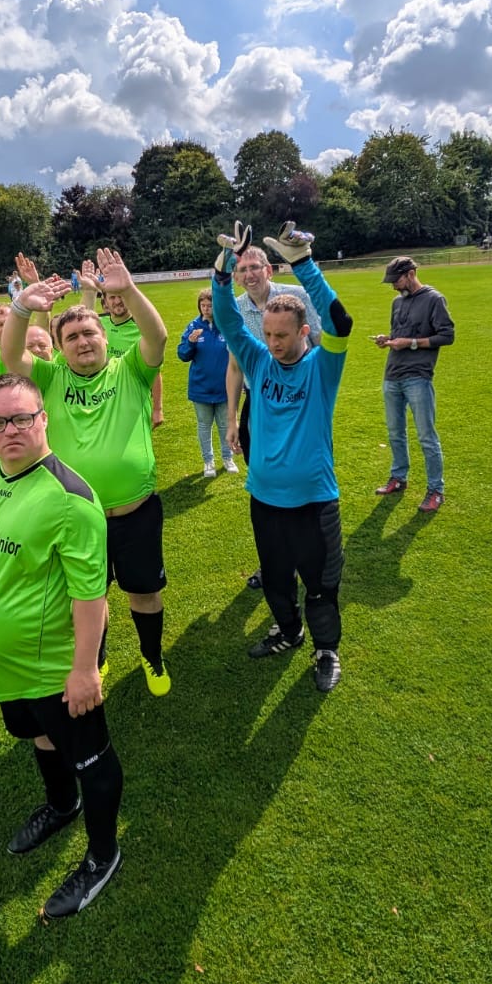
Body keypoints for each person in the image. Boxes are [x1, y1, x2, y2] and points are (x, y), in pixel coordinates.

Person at [0, 374, 123, 917]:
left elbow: (91, 596)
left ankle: (103, 855)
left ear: (43, 420)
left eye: (21, 418)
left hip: (54, 667)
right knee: (37, 735)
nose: (10, 430)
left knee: (92, 758)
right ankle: (62, 805)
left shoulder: (71, 500)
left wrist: (85, 670)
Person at [3, 249, 173, 695]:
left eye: (89, 332)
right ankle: (96, 660)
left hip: (136, 512)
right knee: (87, 595)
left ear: (104, 337)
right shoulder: (51, 379)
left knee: (144, 592)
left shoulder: (131, 369)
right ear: (60, 347)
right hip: (77, 517)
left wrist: (128, 289)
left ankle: (152, 656)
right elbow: (11, 357)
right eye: (72, 336)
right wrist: (21, 307)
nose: (82, 341)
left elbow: (157, 337)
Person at [213, 222, 350, 692]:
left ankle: (326, 650)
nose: (273, 343)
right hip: (266, 499)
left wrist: (304, 264)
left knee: (321, 584)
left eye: (282, 335)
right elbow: (229, 321)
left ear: (303, 331)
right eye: (268, 334)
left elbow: (341, 322)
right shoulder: (258, 360)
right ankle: (289, 633)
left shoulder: (322, 366)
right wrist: (224, 269)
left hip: (313, 501)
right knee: (275, 580)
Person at [223, 245, 322, 591]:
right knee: (265, 485)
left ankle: (304, 556)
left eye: (254, 267)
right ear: (236, 276)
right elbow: (235, 366)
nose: (249, 274)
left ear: (268, 269)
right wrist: (232, 419)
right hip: (258, 402)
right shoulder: (236, 308)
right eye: (242, 269)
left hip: (298, 402)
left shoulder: (296, 297)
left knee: (300, 480)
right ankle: (274, 561)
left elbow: (321, 345)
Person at [373, 256, 456, 513]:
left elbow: (447, 335)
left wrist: (410, 343)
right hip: (392, 375)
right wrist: (388, 339)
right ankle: (399, 477)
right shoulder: (397, 302)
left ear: (411, 274)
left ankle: (436, 491)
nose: (394, 286)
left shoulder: (434, 299)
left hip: (418, 376)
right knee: (395, 432)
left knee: (426, 436)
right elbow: (400, 334)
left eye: (396, 280)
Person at [82, 260, 163, 428]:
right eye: (112, 297)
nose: (117, 301)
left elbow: (154, 371)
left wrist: (157, 408)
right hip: (99, 398)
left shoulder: (142, 328)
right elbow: (80, 323)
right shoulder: (98, 324)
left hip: (134, 400)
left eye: (121, 296)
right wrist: (89, 292)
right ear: (105, 301)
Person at [176, 287, 235, 478]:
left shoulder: (226, 326)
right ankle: (208, 461)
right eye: (203, 305)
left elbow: (238, 355)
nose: (206, 309)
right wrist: (190, 343)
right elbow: (182, 355)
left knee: (225, 425)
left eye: (210, 305)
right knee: (204, 426)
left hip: (224, 387)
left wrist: (239, 382)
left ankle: (227, 457)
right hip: (201, 388)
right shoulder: (193, 327)